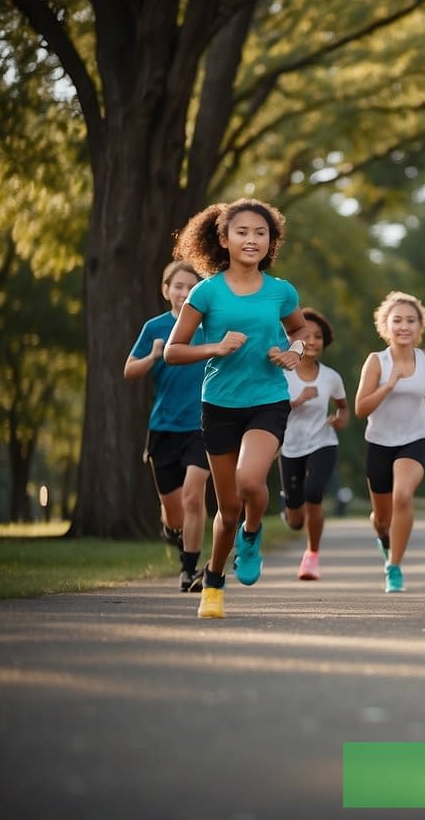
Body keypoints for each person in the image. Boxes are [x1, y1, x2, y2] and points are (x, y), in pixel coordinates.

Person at [165, 198, 311, 619]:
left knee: (251, 480)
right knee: (226, 509)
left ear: (271, 241)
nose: (251, 239)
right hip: (220, 405)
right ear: (224, 239)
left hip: (268, 400)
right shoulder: (206, 291)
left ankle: (253, 533)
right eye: (242, 232)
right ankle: (213, 579)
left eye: (260, 233)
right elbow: (174, 351)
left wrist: (295, 351)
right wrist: (216, 346)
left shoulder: (282, 291)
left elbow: (298, 328)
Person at [354, 291, 425, 594]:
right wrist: (389, 385)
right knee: (382, 518)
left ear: (419, 326)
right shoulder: (376, 362)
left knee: (402, 497)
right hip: (379, 442)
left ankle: (394, 567)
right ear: (386, 325)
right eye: (397, 320)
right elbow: (360, 409)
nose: (404, 326)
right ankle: (384, 537)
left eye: (411, 320)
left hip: (415, 439)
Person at [124, 261, 211, 592]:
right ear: (166, 290)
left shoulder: (210, 327)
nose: (185, 293)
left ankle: (189, 571)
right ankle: (172, 531)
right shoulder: (155, 328)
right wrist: (153, 357)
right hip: (163, 428)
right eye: (179, 286)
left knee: (193, 496)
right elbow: (130, 371)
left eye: (192, 288)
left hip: (202, 426)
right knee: (174, 512)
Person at [278, 308, 349, 581]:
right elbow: (271, 410)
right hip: (291, 446)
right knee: (296, 519)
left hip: (323, 441)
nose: (312, 341)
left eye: (318, 336)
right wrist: (298, 400)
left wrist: (340, 419)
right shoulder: (283, 374)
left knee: (314, 491)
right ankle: (289, 507)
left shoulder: (331, 377)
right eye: (306, 335)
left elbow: (343, 407)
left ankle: (312, 556)